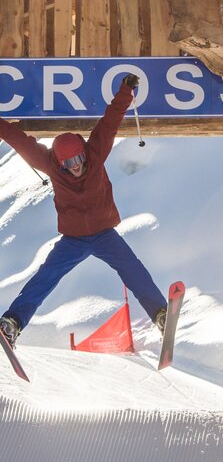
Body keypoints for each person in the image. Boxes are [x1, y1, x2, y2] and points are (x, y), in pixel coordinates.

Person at [0, 75, 167, 348]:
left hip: (104, 235)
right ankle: (12, 323)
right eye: (69, 164)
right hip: (73, 240)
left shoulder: (96, 151)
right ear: (59, 163)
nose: (76, 166)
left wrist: (126, 91)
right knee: (46, 276)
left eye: (78, 159)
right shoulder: (49, 163)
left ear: (83, 152)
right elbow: (16, 138)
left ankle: (160, 314)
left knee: (132, 268)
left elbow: (111, 120)